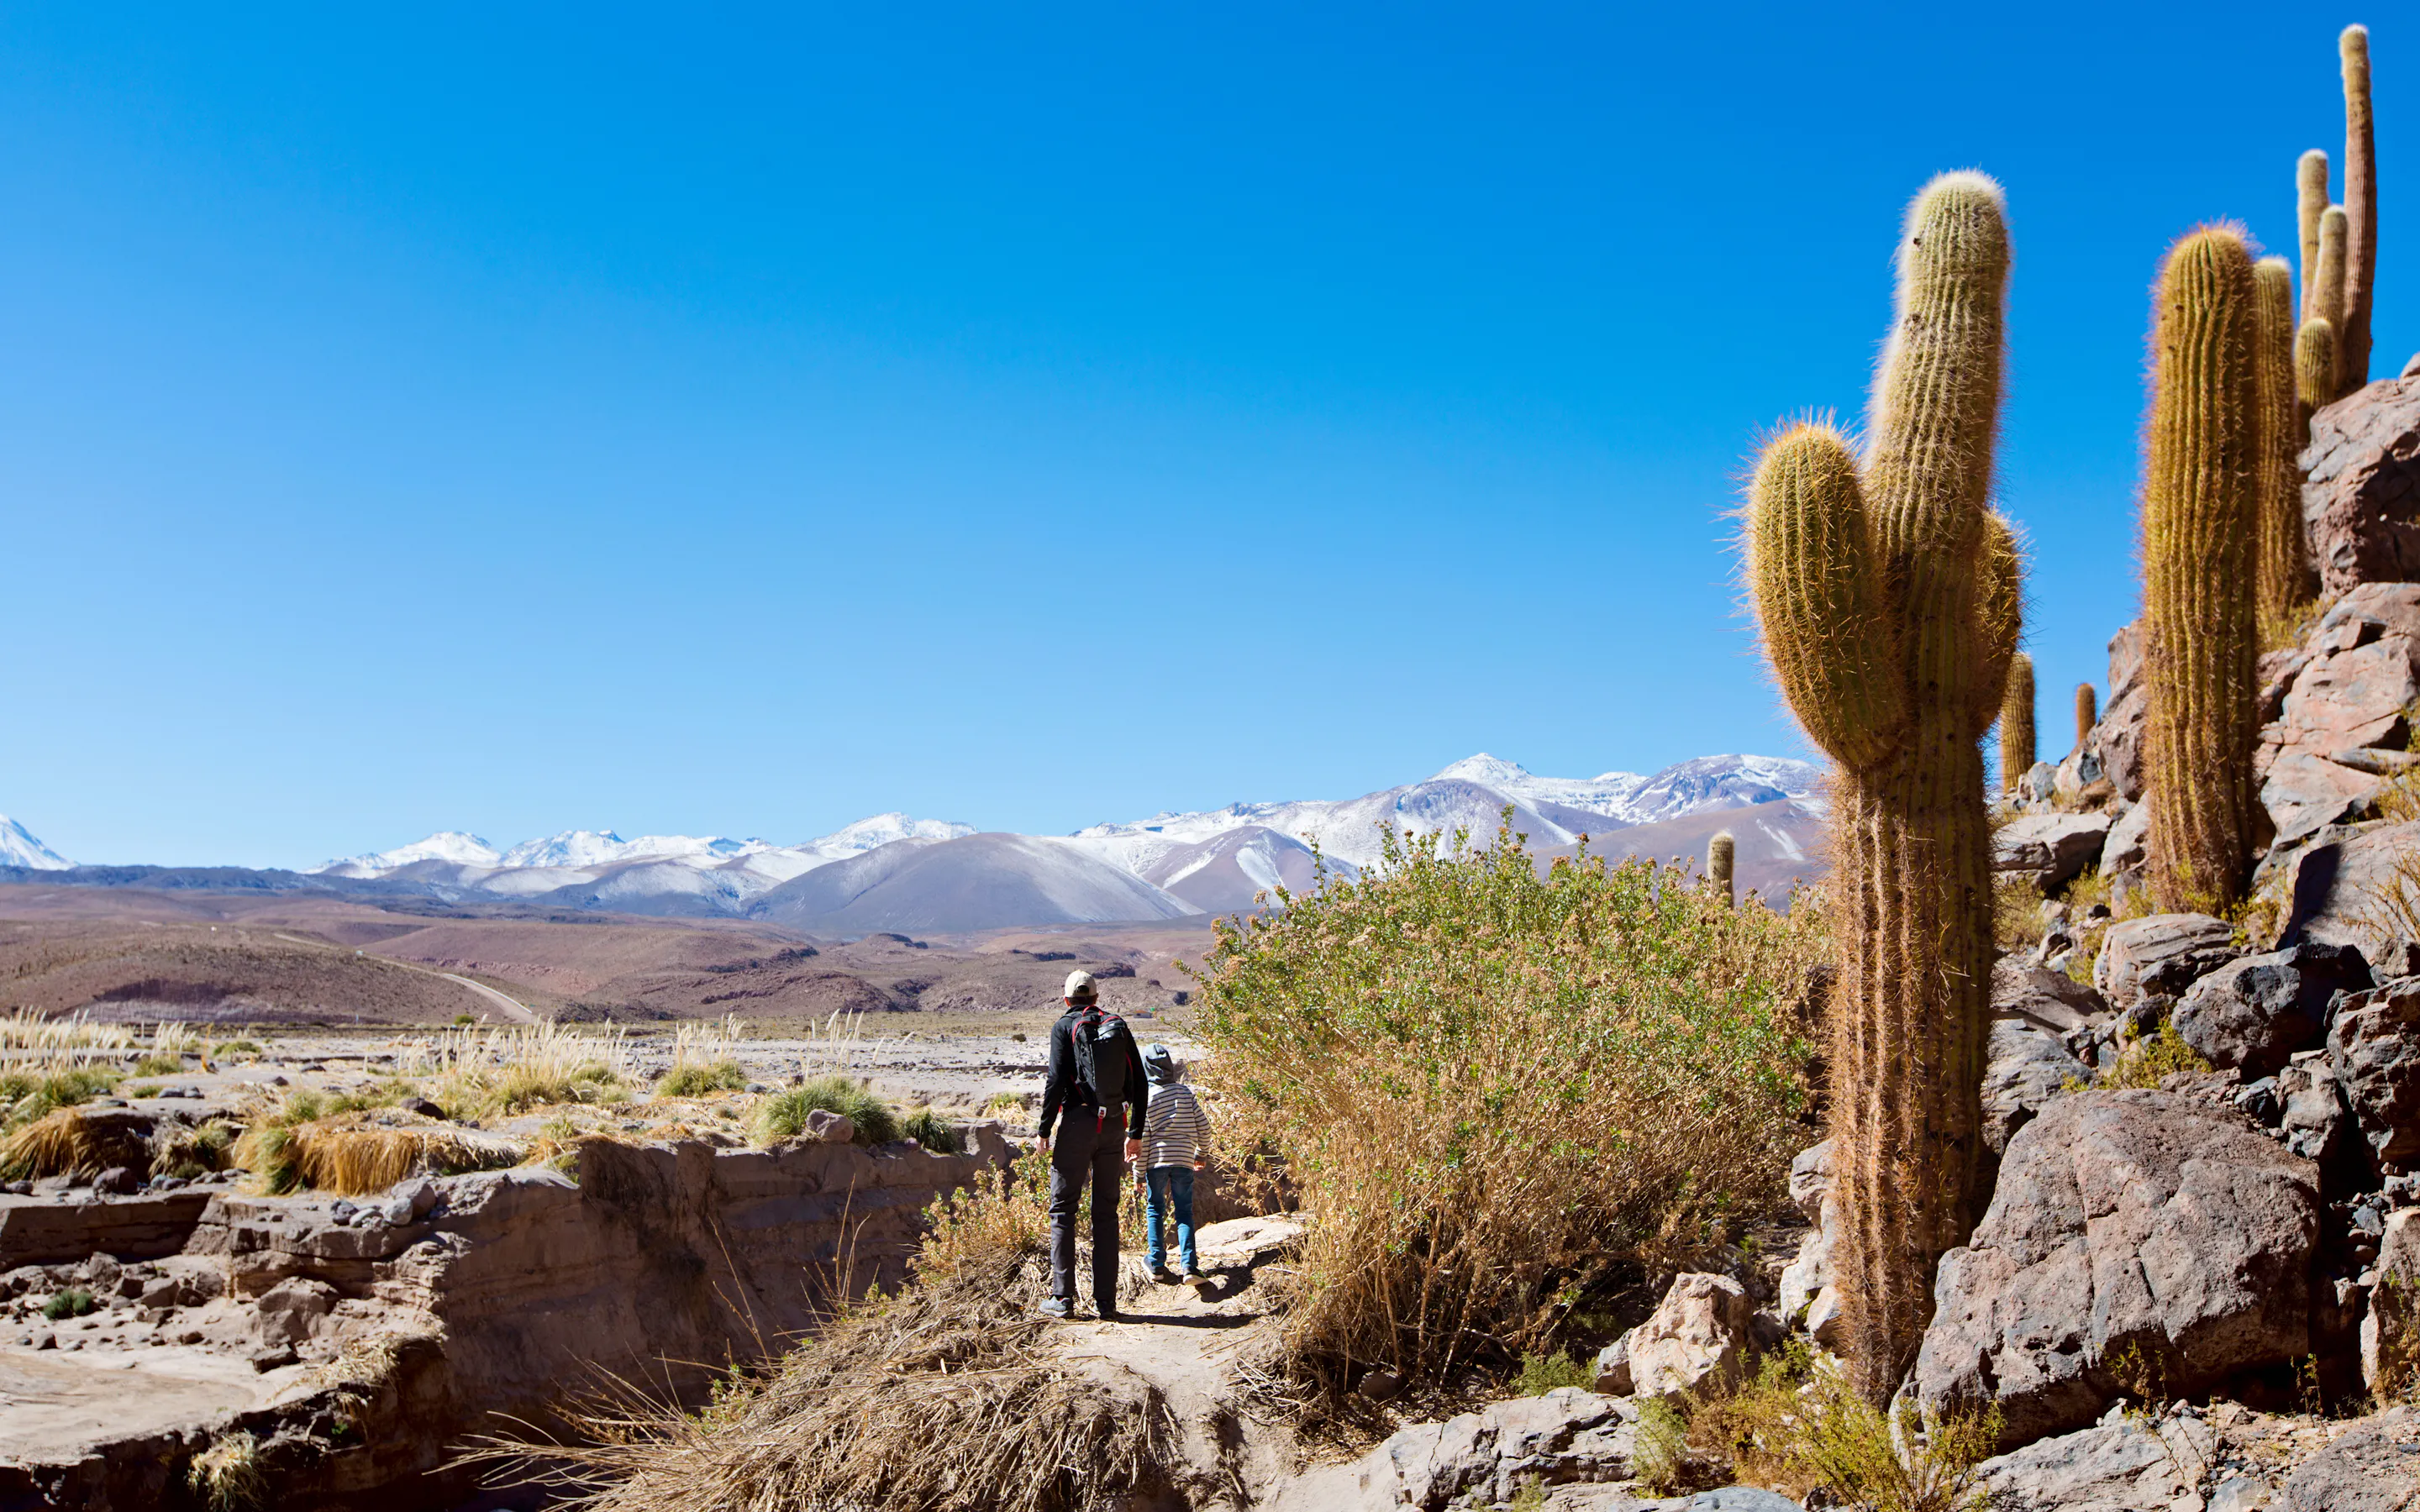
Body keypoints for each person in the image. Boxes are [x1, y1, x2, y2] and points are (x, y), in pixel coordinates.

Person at [1036, 969, 1145, 1320]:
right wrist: (1136, 1134)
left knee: (1063, 1209)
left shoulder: (1063, 1027)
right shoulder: (1118, 1024)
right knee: (1106, 1214)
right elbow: (1140, 1081)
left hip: (1078, 1124)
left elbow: (1055, 1081)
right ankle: (1107, 1303)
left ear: (1066, 999)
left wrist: (1044, 1129)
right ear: (1096, 999)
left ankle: (1063, 1299)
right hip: (1114, 1126)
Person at [1139, 1042, 1212, 1289]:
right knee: (1184, 1211)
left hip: (1155, 1162)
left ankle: (1157, 1265)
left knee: (1155, 1209)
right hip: (1183, 1160)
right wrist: (1201, 1154)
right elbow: (1205, 1127)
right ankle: (1189, 1266)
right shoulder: (1184, 1093)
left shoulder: (1145, 1098)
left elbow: (1144, 1138)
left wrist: (1139, 1174)